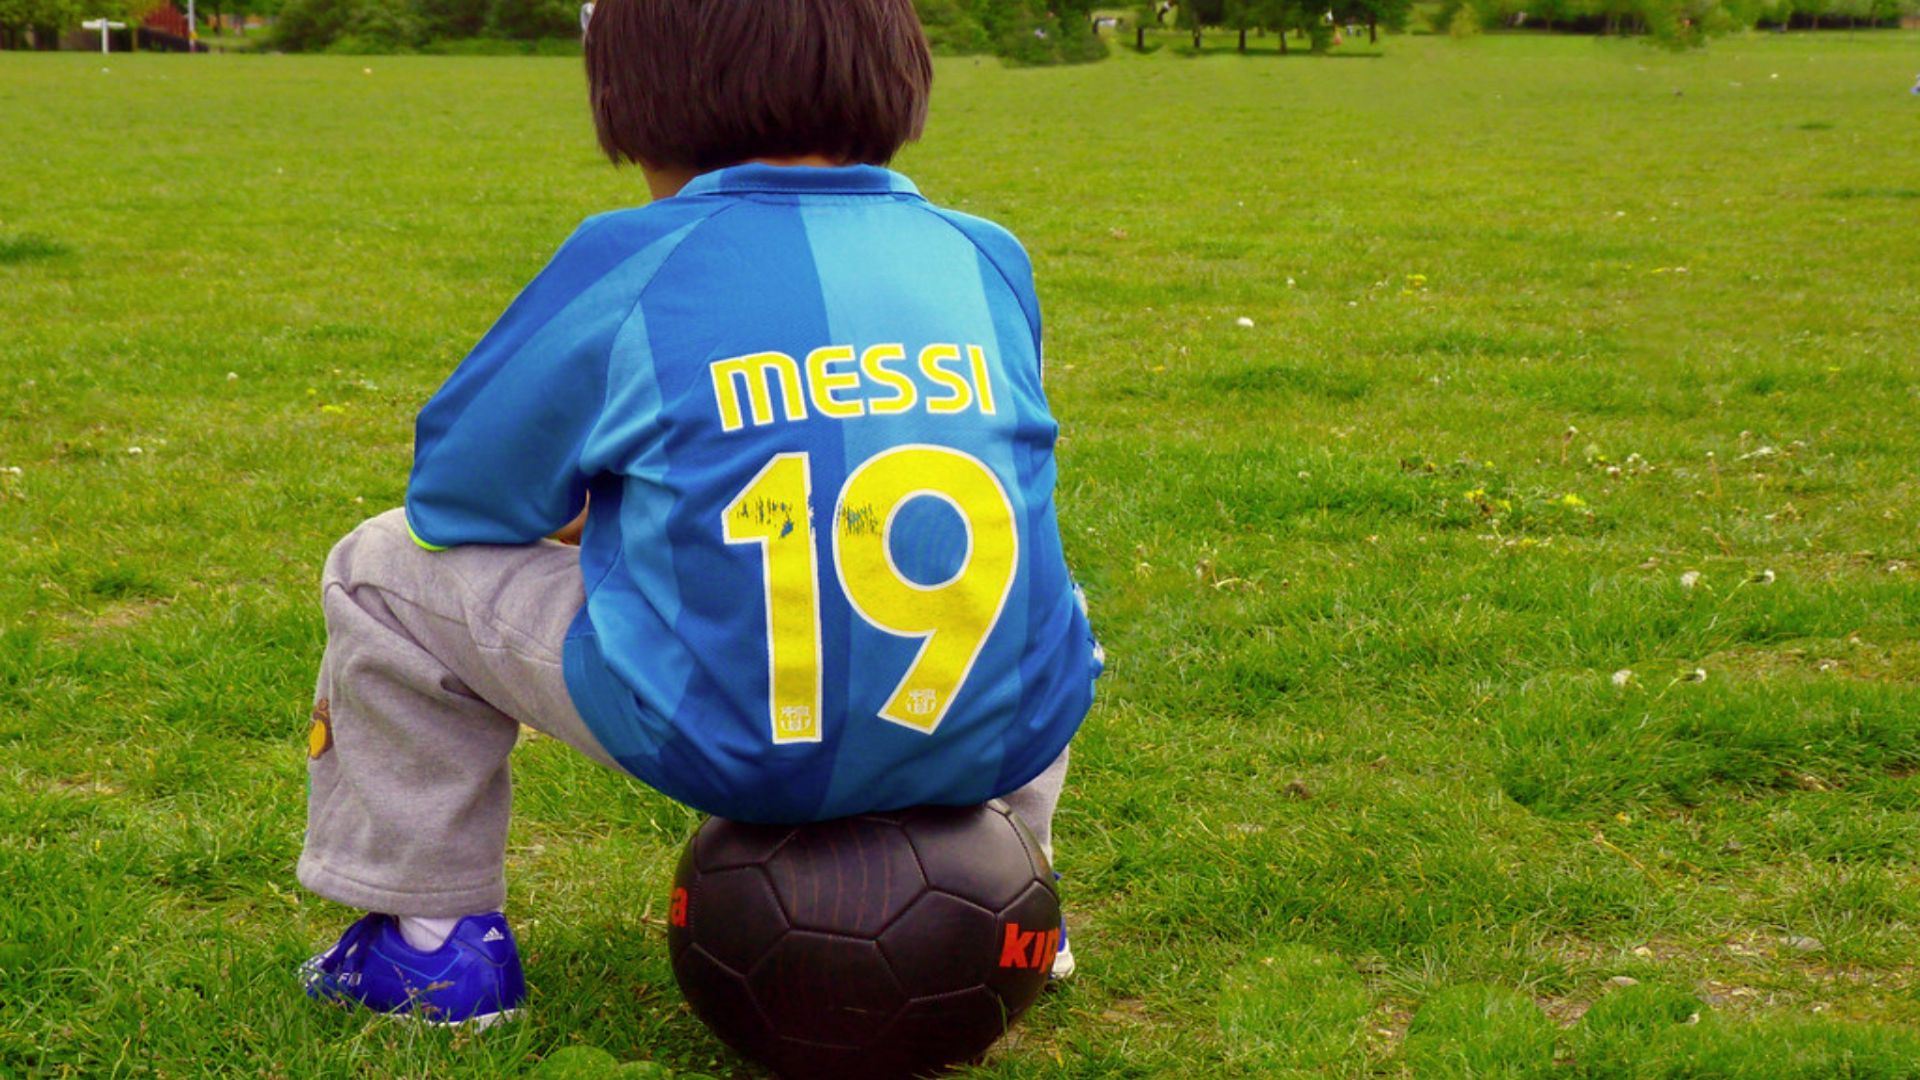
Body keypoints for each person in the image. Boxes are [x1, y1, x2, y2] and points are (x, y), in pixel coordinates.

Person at [296, 0, 1101, 1027]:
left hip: (725, 730)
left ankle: (432, 943)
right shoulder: (983, 254)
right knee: (1029, 589)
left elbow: (456, 499)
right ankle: (1016, 893)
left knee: (378, 568)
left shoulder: (631, 257)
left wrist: (607, 510)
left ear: (634, 98)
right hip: (984, 726)